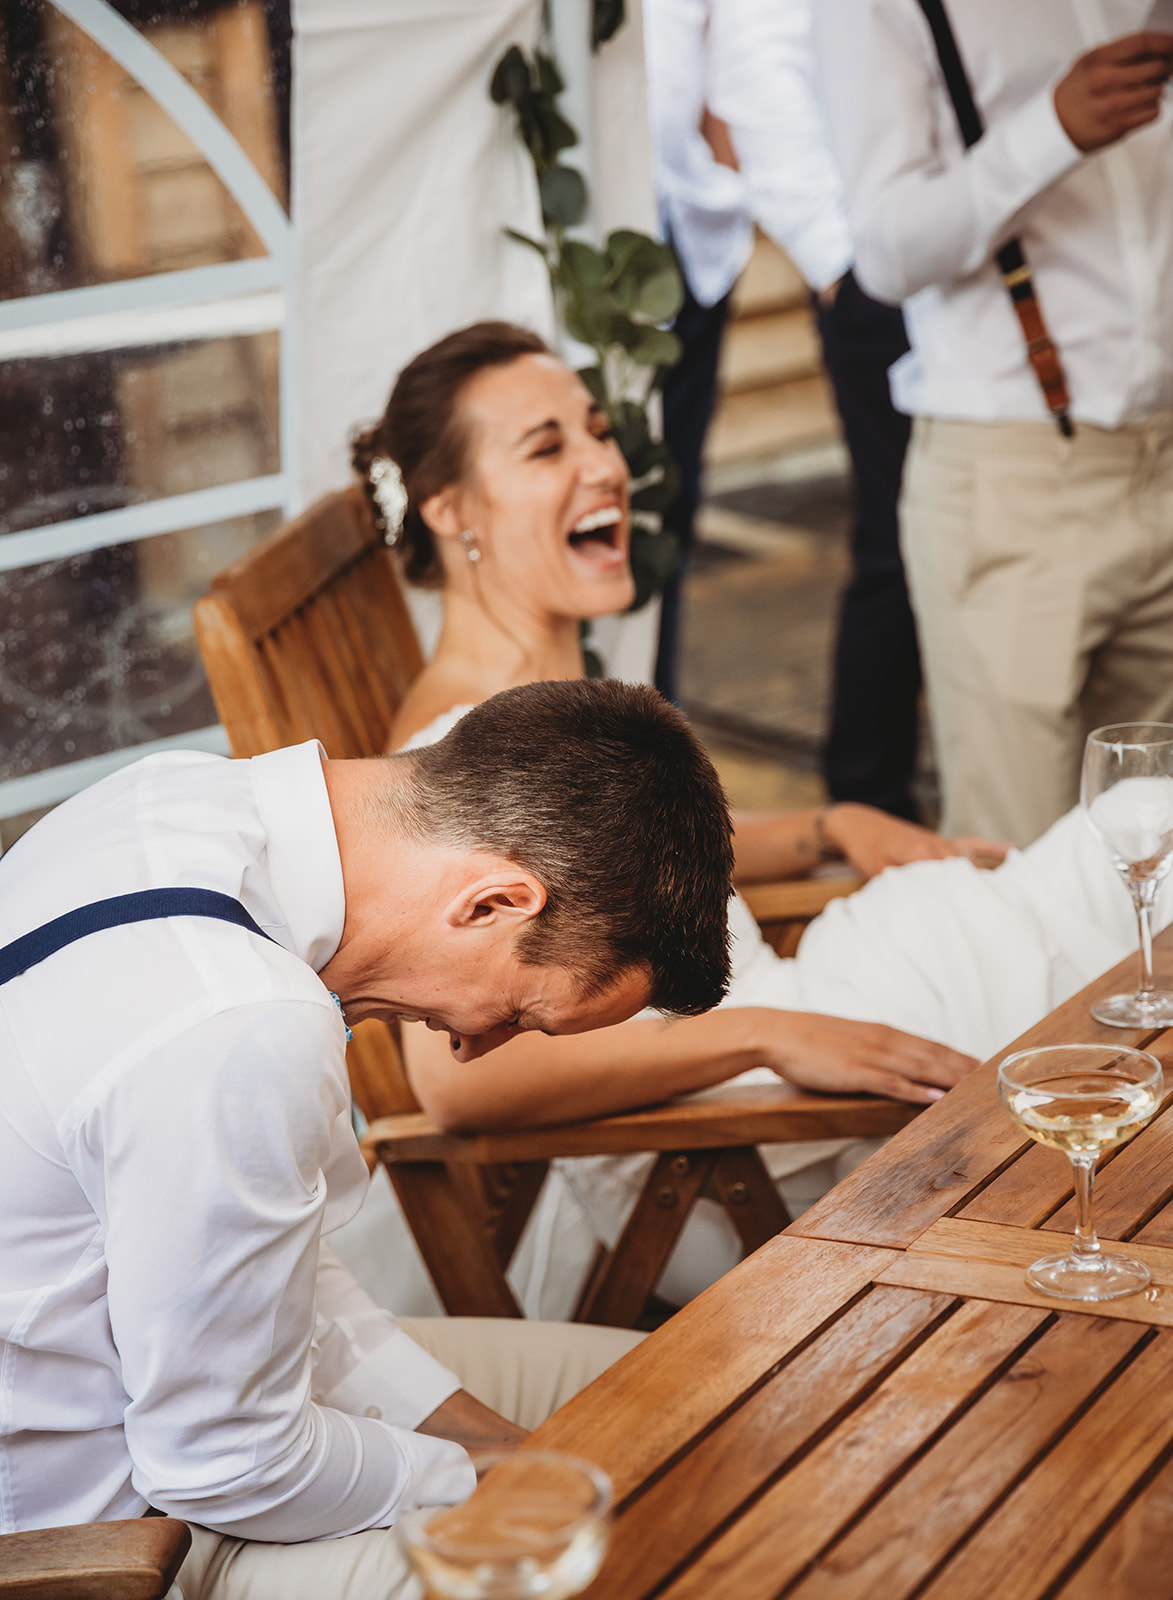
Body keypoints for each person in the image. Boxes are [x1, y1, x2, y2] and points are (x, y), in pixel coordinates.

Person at [346, 323, 1071, 1310]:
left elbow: (643, 857)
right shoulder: (461, 740)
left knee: (1099, 891)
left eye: (597, 432)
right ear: (448, 509)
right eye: (548, 447)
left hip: (786, 1036)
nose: (605, 465)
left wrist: (827, 827)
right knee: (1101, 933)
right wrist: (767, 1036)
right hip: (736, 1140)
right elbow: (457, 1086)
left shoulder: (542, 679)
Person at [0, 677, 735, 1597]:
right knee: (647, 1553)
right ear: (493, 902)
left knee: (695, 1406)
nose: (474, 1048)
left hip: (161, 1401)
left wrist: (485, 1437)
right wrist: (484, 1480)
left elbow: (259, 1268)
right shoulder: (240, 1025)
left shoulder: (172, 796)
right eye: (520, 1012)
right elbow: (221, 1466)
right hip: (93, 1542)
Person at [814, 2, 1173, 847]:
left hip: (1161, 456)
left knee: (1157, 857)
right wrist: (1050, 130)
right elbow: (887, 252)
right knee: (1020, 869)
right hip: (1011, 473)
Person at [644, 0, 923, 824]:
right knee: (896, 535)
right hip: (839, 249)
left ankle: (868, 803)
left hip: (699, 242)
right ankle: (868, 798)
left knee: (670, 523)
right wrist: (833, 256)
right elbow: (758, 55)